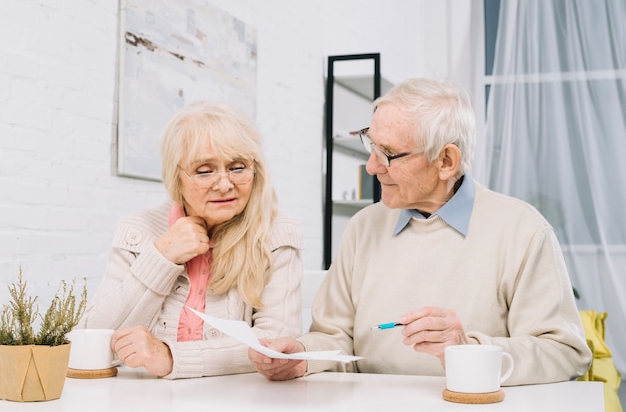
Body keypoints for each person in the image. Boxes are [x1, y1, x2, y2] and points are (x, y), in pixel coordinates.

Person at [248, 77, 592, 385]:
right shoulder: (363, 227)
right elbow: (336, 340)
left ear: (446, 161)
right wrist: (301, 356)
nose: (371, 166)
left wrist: (465, 349)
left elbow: (564, 353)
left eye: (389, 154)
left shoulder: (523, 230)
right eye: (371, 145)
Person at [80, 101, 303, 379]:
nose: (224, 184)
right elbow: (91, 339)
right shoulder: (139, 229)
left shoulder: (277, 233)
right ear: (177, 177)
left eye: (237, 167)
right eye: (204, 170)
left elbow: (275, 346)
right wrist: (161, 257)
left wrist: (172, 358)